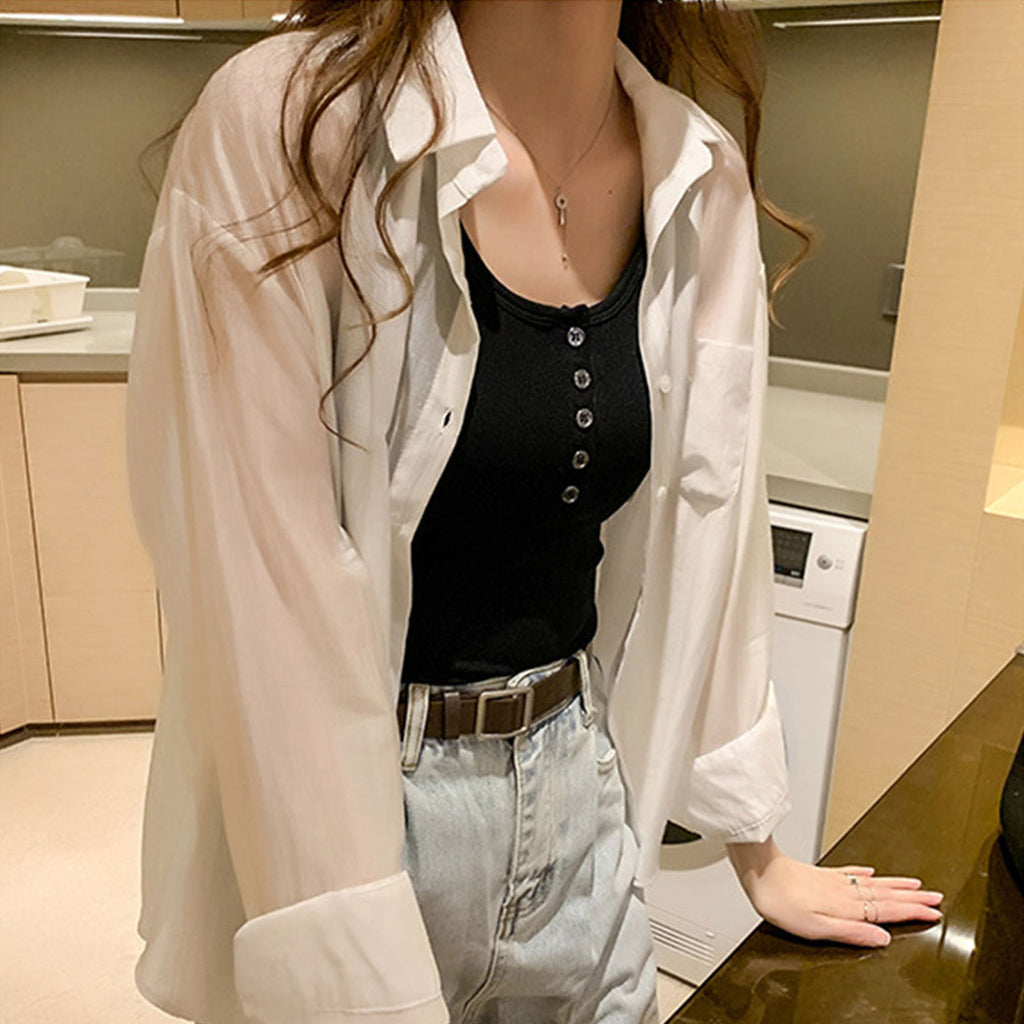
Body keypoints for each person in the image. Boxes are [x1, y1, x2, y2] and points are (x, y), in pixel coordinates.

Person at [125, 3, 945, 1023]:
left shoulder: (699, 170)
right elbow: (262, 592)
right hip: (360, 827)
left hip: (582, 797)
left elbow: (718, 528)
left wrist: (758, 848)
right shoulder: (296, 121)